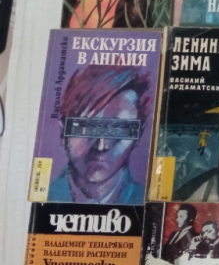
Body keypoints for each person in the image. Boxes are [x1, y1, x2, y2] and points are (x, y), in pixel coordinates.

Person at [48, 65, 151, 204]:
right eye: (87, 127)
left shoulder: (146, 200)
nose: (101, 146)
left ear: (138, 134)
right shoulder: (47, 195)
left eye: (117, 129)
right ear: (63, 131)